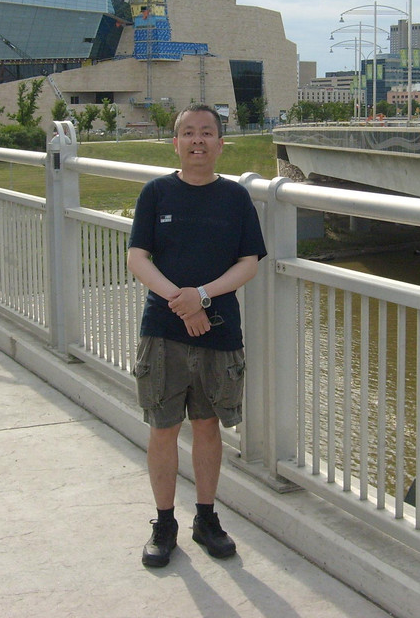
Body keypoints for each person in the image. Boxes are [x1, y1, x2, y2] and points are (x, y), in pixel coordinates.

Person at [127, 103, 266, 568]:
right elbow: (138, 257)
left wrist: (202, 296)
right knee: (163, 427)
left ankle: (206, 519)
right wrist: (180, 300)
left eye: (207, 133)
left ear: (221, 144)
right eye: (188, 133)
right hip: (163, 330)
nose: (198, 141)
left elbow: (249, 261)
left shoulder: (235, 199)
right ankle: (164, 523)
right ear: (176, 143)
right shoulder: (156, 193)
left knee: (208, 426)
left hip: (219, 330)